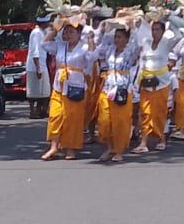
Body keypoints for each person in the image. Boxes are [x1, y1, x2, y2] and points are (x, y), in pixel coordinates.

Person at [41, 18, 91, 160]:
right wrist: (56, 29)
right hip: (59, 85)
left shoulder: (84, 47)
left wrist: (91, 40)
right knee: (55, 116)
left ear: (79, 33)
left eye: (71, 32)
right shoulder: (60, 46)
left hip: (75, 86)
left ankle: (70, 148)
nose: (67, 35)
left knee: (72, 118)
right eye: (66, 32)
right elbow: (44, 44)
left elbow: (92, 58)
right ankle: (54, 147)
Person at [94, 17, 139, 163]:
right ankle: (110, 147)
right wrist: (106, 27)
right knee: (104, 121)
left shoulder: (130, 52)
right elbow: (99, 47)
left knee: (120, 122)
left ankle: (119, 150)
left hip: (122, 89)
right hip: (108, 87)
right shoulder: (110, 50)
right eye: (116, 37)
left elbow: (137, 44)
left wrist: (132, 27)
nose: (117, 40)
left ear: (126, 39)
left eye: (120, 37)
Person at [132, 11, 178, 154]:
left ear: (163, 31)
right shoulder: (146, 42)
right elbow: (141, 61)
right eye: (153, 29)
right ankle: (143, 142)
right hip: (146, 81)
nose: (154, 32)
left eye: (157, 29)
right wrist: (138, 82)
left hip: (161, 83)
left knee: (159, 113)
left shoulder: (166, 43)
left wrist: (170, 17)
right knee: (145, 112)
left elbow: (179, 35)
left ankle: (161, 139)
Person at [26, 21, 51, 119]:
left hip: (42, 64)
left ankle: (40, 110)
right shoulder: (36, 32)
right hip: (35, 66)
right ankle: (32, 111)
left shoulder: (42, 32)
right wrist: (38, 68)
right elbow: (35, 50)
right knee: (33, 91)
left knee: (44, 90)